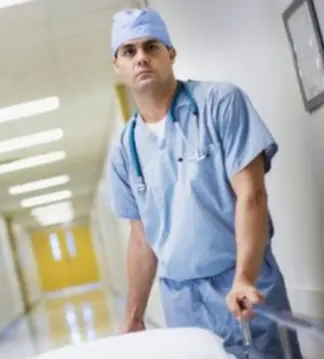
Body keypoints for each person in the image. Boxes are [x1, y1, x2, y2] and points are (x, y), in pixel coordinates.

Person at [105, 8, 302, 358]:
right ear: (117, 65)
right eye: (129, 51)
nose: (141, 58)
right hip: (181, 302)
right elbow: (141, 239)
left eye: (152, 46)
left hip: (241, 285)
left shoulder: (220, 103)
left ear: (171, 54)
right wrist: (133, 317)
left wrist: (245, 277)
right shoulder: (126, 148)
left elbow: (252, 195)